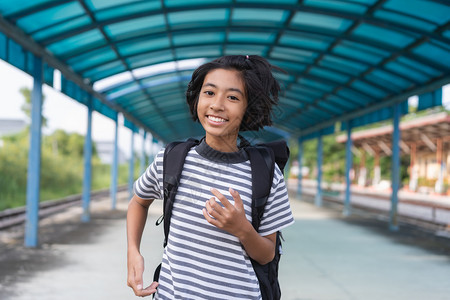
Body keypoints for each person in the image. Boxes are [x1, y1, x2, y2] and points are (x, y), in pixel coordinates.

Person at [126, 55, 295, 299]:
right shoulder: (172, 160)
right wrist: (133, 251)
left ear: (249, 107)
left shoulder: (267, 175)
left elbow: (267, 254)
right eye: (209, 93)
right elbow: (138, 201)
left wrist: (242, 229)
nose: (217, 104)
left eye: (233, 97)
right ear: (197, 99)